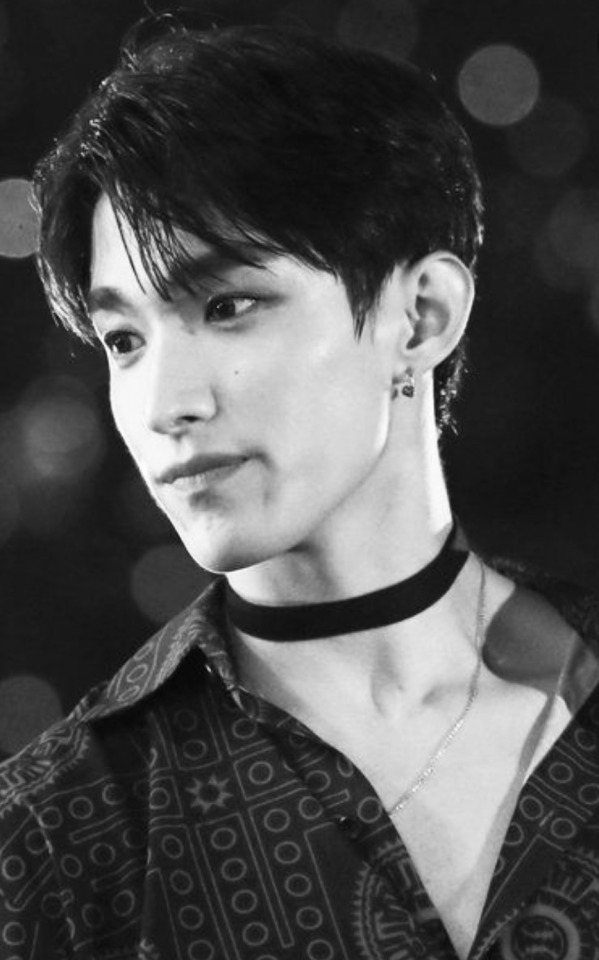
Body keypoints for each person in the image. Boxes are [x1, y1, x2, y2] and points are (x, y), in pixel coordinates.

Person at [0, 21, 597, 960]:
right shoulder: (58, 839)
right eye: (124, 340)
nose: (164, 404)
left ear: (420, 316)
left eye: (227, 306)